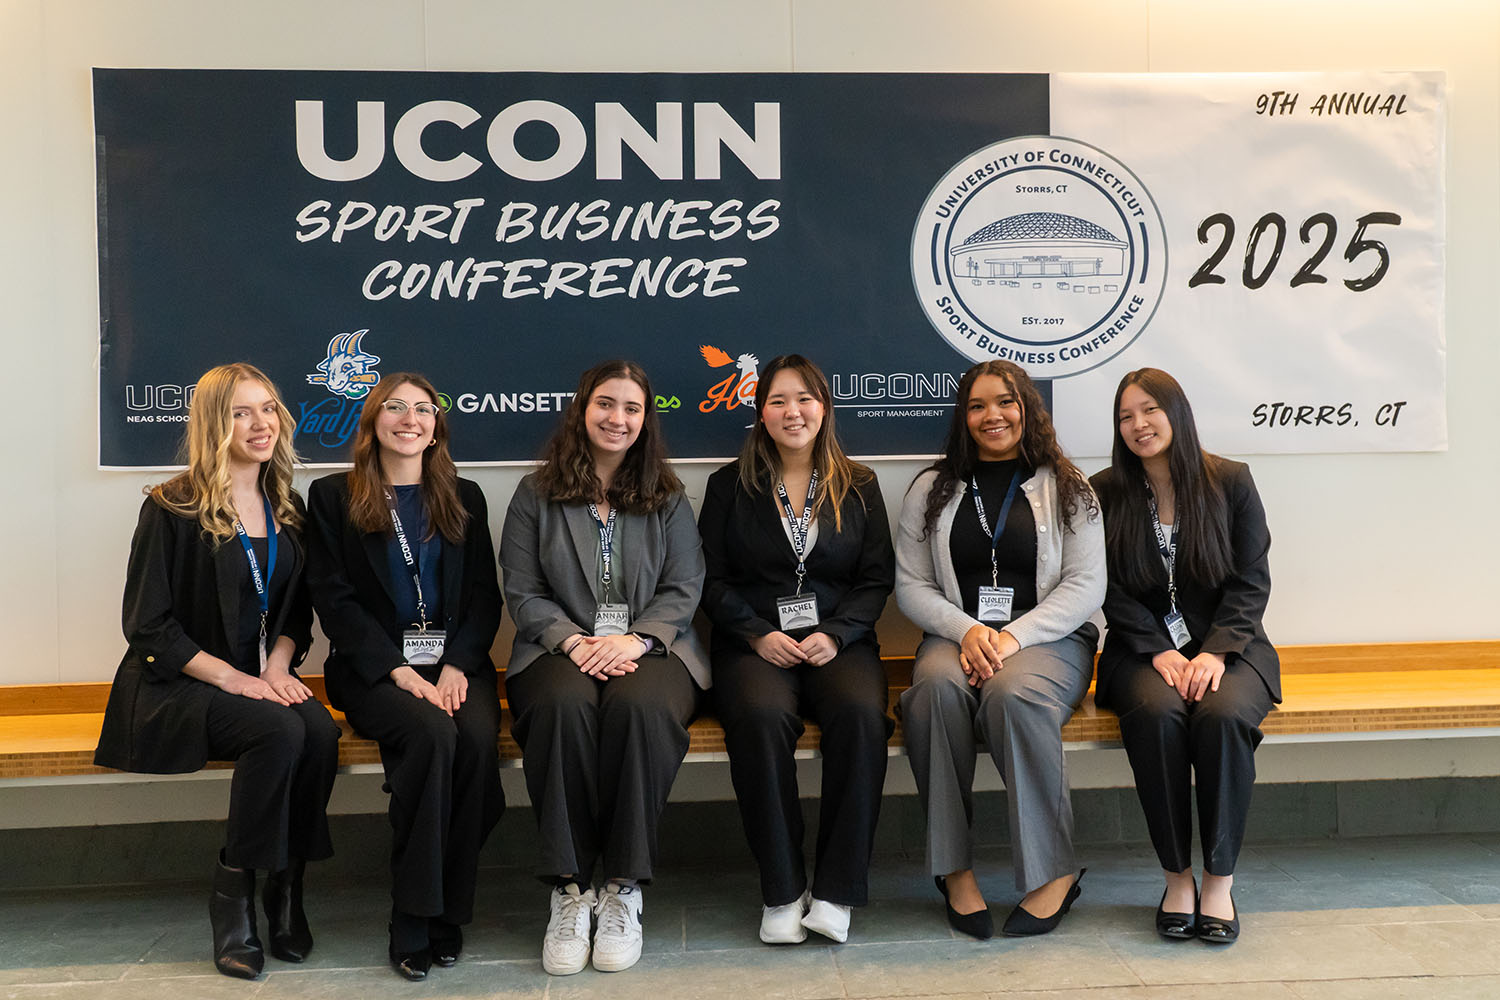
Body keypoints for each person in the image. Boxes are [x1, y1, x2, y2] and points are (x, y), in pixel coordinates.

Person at [95, 363, 339, 980]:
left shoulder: (288, 505)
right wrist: (235, 679)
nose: (261, 424)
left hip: (263, 676)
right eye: (241, 412)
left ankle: (287, 888)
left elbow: (297, 610)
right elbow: (148, 625)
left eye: (269, 409)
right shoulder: (171, 507)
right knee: (279, 732)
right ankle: (235, 899)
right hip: (180, 686)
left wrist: (282, 666)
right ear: (213, 423)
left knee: (319, 732)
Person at [499, 360, 708, 976]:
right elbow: (521, 588)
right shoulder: (535, 493)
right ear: (582, 410)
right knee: (562, 707)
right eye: (606, 404)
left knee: (641, 708)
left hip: (653, 648)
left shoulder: (667, 495)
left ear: (646, 419)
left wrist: (638, 642)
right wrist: (572, 641)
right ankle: (568, 889)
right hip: (555, 649)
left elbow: (685, 584)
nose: (618, 418)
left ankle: (622, 887)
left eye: (632, 408)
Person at [894, 359, 1104, 940]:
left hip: (1049, 637)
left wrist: (1012, 636)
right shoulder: (930, 488)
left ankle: (1054, 872)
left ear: (1027, 409)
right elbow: (911, 584)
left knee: (1012, 696)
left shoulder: (1068, 486)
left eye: (1006, 402)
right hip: (957, 633)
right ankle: (954, 870)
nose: (993, 416)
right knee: (932, 691)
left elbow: (1087, 585)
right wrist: (967, 631)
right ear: (963, 417)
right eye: (978, 405)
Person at [305, 373, 504, 980]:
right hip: (371, 670)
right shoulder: (332, 497)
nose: (409, 418)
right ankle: (413, 915)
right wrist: (397, 670)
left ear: (437, 425)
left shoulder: (465, 495)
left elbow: (483, 599)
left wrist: (452, 668)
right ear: (372, 421)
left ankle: (450, 911)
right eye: (395, 407)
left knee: (471, 742)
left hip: (454, 668)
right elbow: (333, 599)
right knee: (432, 738)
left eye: (423, 409)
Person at [699, 355, 895, 945]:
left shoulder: (859, 484)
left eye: (805, 399)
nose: (793, 412)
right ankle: (782, 889)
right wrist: (758, 632)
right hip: (753, 642)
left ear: (824, 408)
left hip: (841, 640)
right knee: (759, 719)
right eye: (779, 400)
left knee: (861, 718)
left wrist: (836, 633)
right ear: (760, 411)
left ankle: (836, 890)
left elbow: (876, 577)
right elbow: (708, 579)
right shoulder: (728, 485)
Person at [1090, 367, 1278, 945]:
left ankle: (1218, 882)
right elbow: (1102, 587)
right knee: (1157, 716)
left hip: (1234, 648)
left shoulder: (1231, 480)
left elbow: (1252, 580)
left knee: (1222, 718)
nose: (1139, 425)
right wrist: (1155, 650)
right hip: (1139, 653)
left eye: (1150, 409)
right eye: (1126, 416)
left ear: (1178, 412)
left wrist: (1217, 651)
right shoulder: (1104, 491)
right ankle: (1176, 877)